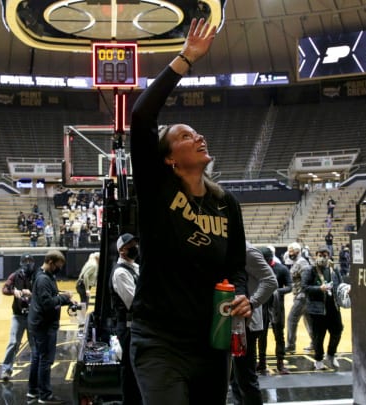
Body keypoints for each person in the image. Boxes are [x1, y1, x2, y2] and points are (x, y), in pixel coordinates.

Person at [129, 18, 252, 404]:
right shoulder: (156, 189)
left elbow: (235, 268)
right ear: (167, 159)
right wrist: (186, 58)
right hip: (159, 342)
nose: (197, 136)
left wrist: (243, 296)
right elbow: (141, 118)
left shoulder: (225, 202)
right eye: (184, 135)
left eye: (196, 133)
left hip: (211, 341)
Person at [230, 242, 277, 405]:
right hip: (232, 323)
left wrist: (251, 303)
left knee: (246, 379)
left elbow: (271, 281)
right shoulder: (228, 249)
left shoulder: (247, 251)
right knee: (234, 378)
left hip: (246, 325)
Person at [27, 250, 74, 404]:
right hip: (44, 326)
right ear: (51, 262)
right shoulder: (43, 279)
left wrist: (63, 298)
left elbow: (51, 296)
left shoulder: (45, 276)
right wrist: (64, 298)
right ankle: (45, 395)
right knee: (45, 360)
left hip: (38, 324)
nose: (59, 269)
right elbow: (48, 303)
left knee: (37, 358)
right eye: (57, 266)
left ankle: (33, 391)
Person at [110, 233, 142, 405]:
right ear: (122, 250)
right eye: (130, 245)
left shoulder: (134, 267)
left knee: (137, 367)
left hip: (136, 325)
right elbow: (134, 302)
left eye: (135, 243)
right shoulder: (120, 272)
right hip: (127, 326)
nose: (134, 247)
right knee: (129, 369)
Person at [302, 246, 344, 370]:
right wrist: (319, 289)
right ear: (316, 255)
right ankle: (319, 359)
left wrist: (346, 290)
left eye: (325, 255)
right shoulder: (310, 270)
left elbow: (340, 285)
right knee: (319, 336)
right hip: (317, 309)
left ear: (329, 256)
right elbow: (304, 287)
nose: (322, 257)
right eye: (320, 254)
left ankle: (331, 354)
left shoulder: (334, 269)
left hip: (334, 307)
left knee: (337, 331)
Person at [256, 246, 292, 375]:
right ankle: (262, 363)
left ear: (269, 258)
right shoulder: (258, 269)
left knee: (279, 336)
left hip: (277, 307)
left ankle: (280, 363)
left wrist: (276, 291)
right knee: (261, 335)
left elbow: (289, 287)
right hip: (261, 306)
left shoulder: (281, 269)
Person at [0, 255, 36, 381]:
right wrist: (13, 292)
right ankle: (6, 370)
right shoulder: (15, 275)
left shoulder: (37, 276)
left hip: (33, 316)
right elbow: (4, 289)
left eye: (30, 262)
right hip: (18, 315)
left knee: (34, 344)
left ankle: (35, 371)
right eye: (25, 262)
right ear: (21, 263)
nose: (28, 264)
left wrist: (31, 294)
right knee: (13, 342)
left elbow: (43, 292)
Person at [285, 242, 312, 354]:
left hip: (302, 297)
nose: (290, 253)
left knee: (291, 319)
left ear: (298, 251)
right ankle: (315, 343)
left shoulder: (302, 263)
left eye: (292, 251)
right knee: (309, 321)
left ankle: (291, 345)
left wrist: (303, 294)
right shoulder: (297, 262)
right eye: (289, 251)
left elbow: (306, 281)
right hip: (302, 296)